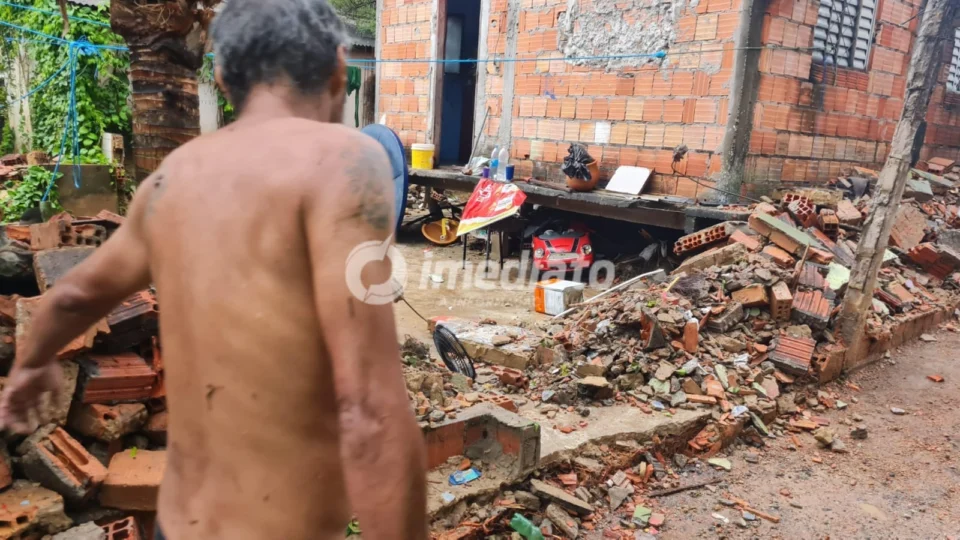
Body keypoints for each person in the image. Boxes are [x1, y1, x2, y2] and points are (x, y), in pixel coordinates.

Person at [0, 1, 427, 538]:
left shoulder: (173, 178)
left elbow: (72, 297)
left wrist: (31, 363)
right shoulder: (342, 162)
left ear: (223, 77)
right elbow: (370, 411)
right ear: (340, 67)